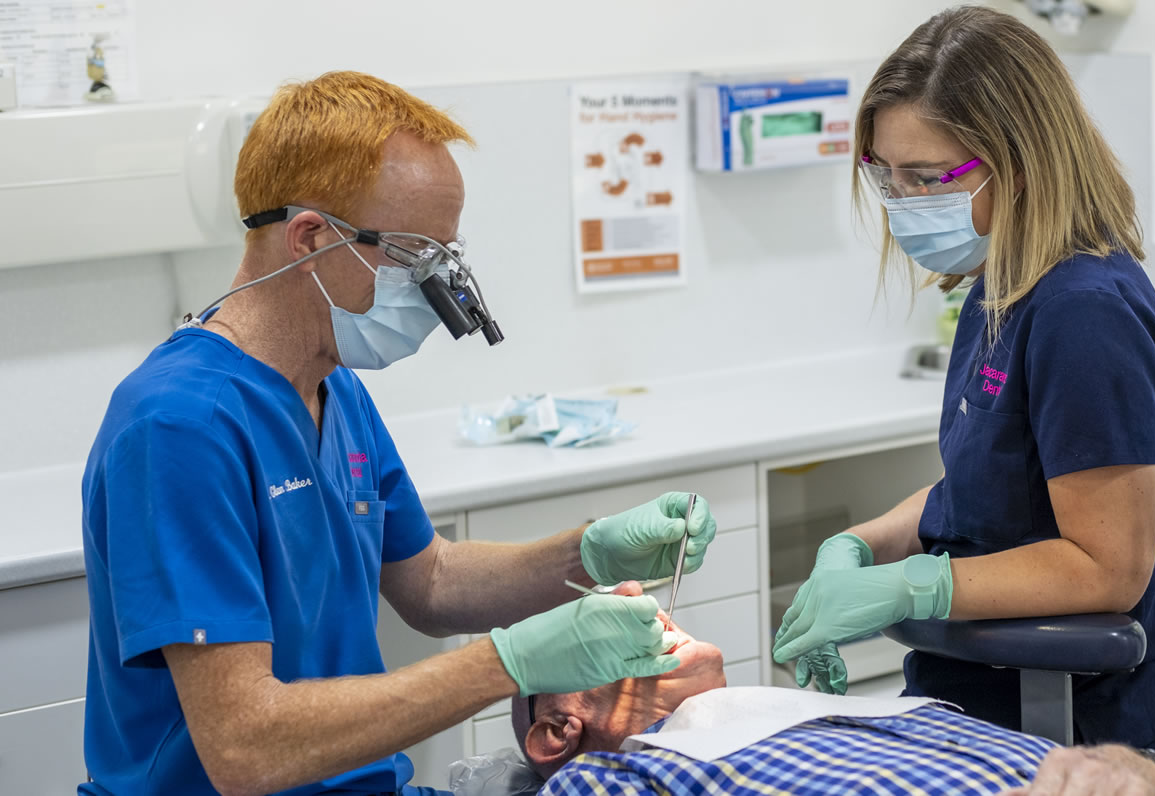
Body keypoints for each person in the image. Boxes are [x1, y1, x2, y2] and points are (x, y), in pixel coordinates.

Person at [78, 71, 718, 796]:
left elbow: (431, 582)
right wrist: (507, 664)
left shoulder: (333, 386)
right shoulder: (182, 426)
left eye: (445, 258)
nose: (434, 288)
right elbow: (244, 748)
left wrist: (589, 551)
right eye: (415, 256)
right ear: (309, 237)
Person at [772, 4, 1155, 762]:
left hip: (1073, 729)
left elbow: (1108, 568)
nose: (901, 204)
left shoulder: (1083, 314)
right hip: (976, 697)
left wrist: (914, 587)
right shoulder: (1001, 281)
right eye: (885, 175)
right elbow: (989, 487)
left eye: (926, 178)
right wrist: (862, 545)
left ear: (1021, 161)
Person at [513, 583, 1155, 796]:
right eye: (588, 631)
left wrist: (1145, 769)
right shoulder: (609, 777)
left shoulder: (842, 715)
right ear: (556, 731)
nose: (634, 595)